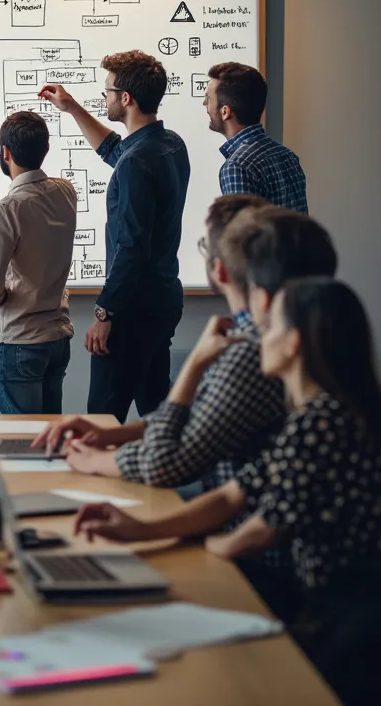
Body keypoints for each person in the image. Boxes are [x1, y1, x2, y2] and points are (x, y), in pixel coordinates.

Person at [72, 278, 381, 629]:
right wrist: (141, 530)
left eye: (269, 326)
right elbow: (235, 494)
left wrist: (206, 546)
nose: (257, 337)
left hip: (338, 614)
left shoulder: (320, 422)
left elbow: (262, 530)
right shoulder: (323, 412)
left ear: (293, 343)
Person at [48, 203, 337, 493]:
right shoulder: (319, 336)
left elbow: (168, 461)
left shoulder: (249, 352)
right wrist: (111, 434)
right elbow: (196, 419)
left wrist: (98, 460)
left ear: (220, 270)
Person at [40, 51, 190, 422]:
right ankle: (164, 475)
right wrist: (73, 108)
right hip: (162, 300)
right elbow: (114, 151)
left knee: (102, 420)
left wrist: (106, 312)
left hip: (132, 310)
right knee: (157, 412)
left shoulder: (138, 161)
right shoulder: (169, 144)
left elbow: (132, 247)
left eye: (108, 91)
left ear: (126, 98)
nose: (104, 97)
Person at [0, 111, 77, 414]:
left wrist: (6, 291)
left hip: (19, 339)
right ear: (46, 149)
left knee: (23, 441)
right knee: (49, 438)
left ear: (4, 152)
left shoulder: (8, 208)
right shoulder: (66, 191)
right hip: (57, 336)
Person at [205, 63, 308, 213]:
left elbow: (242, 234)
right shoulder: (287, 155)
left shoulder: (237, 167)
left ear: (225, 111)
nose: (204, 104)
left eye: (208, 99)